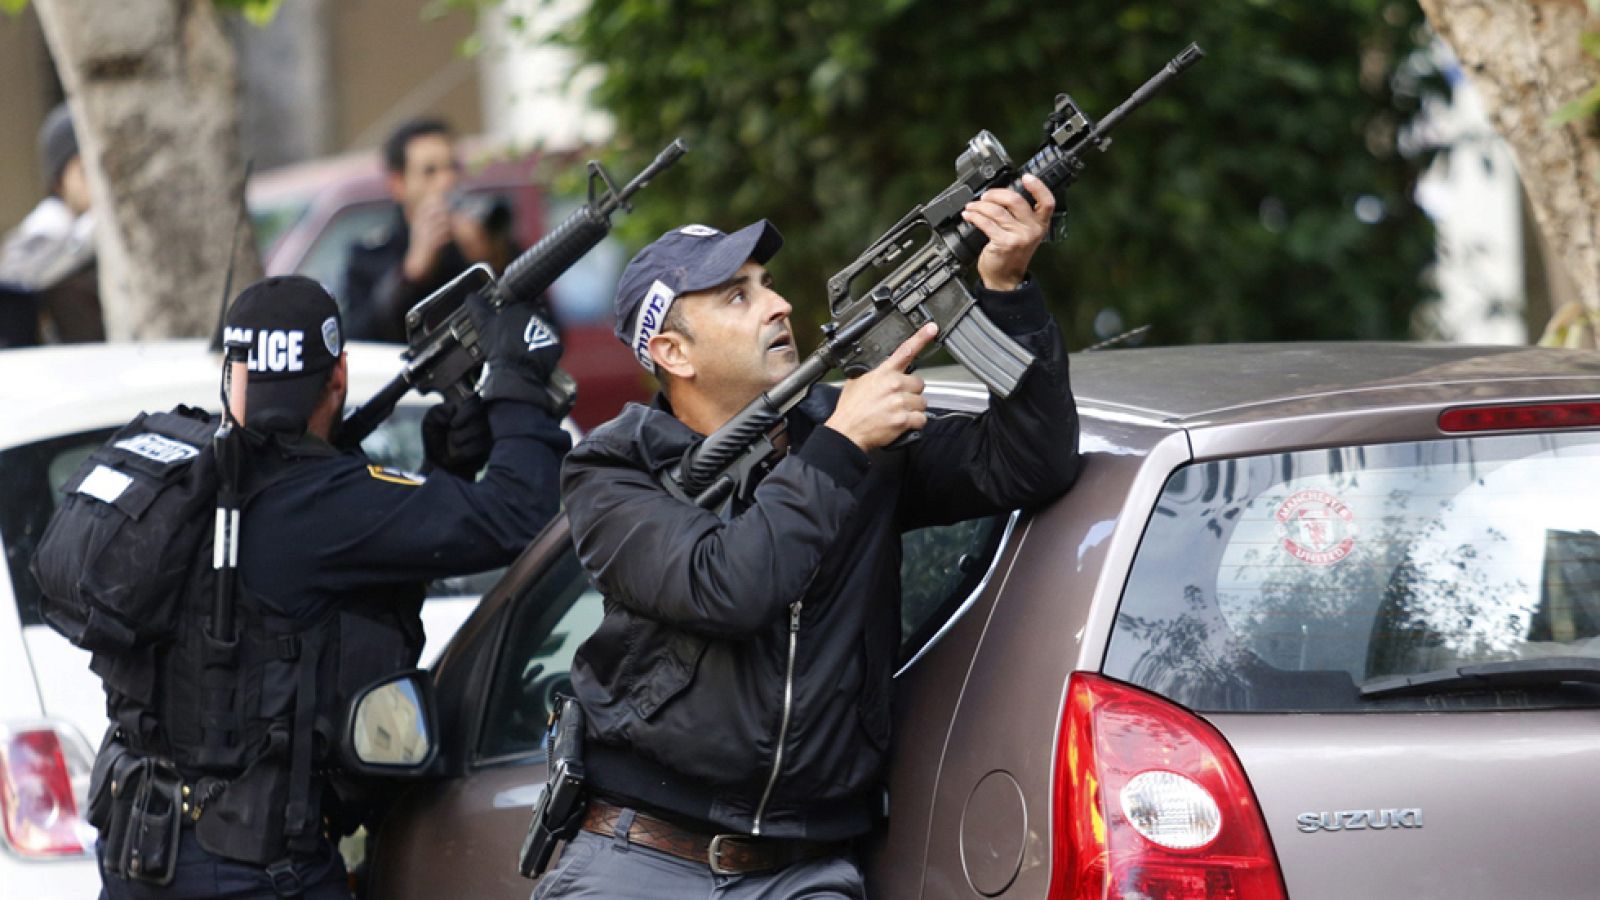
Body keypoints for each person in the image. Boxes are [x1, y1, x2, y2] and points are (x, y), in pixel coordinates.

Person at [547, 173, 1081, 898]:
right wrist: (838, 446)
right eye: (739, 295)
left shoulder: (847, 435)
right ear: (673, 353)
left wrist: (1008, 292)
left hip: (807, 870)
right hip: (642, 858)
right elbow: (726, 588)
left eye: (765, 282)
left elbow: (1031, 464)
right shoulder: (612, 472)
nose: (779, 304)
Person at [93, 275, 570, 899]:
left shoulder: (185, 479)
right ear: (338, 374)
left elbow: (325, 590)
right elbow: (520, 513)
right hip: (250, 871)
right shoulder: (321, 504)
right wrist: (516, 383)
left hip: (140, 848)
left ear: (232, 375)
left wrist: (443, 470)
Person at [341, 118, 517, 343]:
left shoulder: (487, 237)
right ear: (398, 184)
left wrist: (489, 263)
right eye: (430, 172)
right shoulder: (370, 257)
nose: (447, 181)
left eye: (452, 167)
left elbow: (540, 327)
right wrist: (408, 276)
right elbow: (360, 344)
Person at [0, 101, 102, 346]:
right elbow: (19, 286)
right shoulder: (43, 231)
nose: (96, 181)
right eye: (84, 169)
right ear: (59, 181)